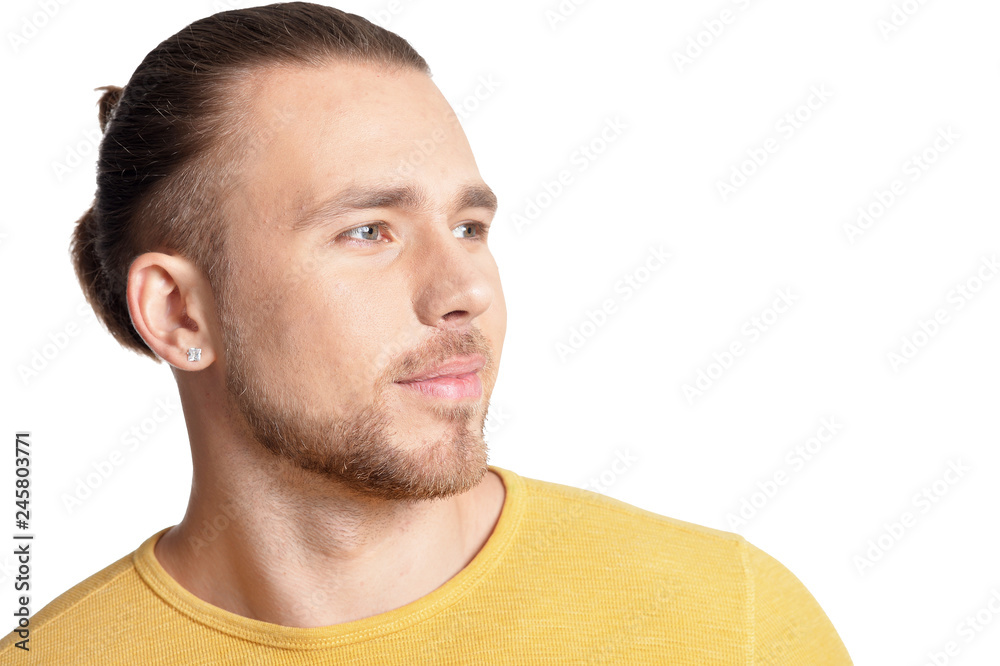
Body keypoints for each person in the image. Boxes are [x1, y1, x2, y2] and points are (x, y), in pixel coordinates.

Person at [0, 3, 852, 663]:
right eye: (369, 231)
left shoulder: (724, 625)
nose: (467, 289)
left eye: (471, 228)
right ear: (180, 314)